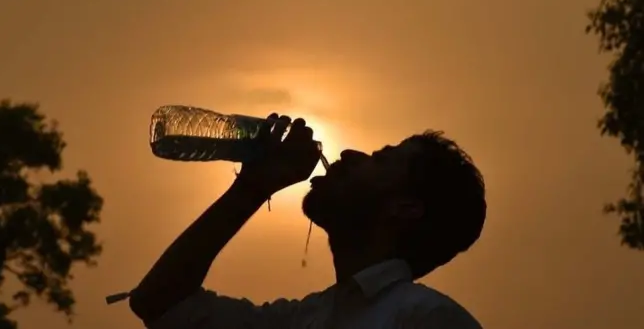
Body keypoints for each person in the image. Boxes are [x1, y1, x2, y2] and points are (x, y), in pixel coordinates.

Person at [128, 114, 487, 328]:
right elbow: (158, 302)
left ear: (405, 208)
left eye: (379, 159)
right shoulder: (307, 319)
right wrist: (254, 186)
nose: (349, 153)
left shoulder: (427, 318)